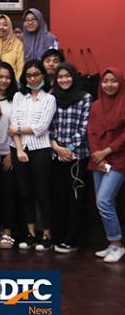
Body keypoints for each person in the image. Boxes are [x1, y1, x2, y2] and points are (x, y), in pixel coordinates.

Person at [10, 60, 57, 252]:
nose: (33, 78)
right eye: (29, 75)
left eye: (36, 74)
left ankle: (46, 234)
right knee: (25, 192)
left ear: (43, 76)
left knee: (43, 192)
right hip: (20, 149)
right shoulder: (19, 97)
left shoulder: (49, 99)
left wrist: (19, 129)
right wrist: (19, 150)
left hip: (41, 150)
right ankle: (30, 234)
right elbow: (12, 125)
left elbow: (41, 127)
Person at [48, 63, 92, 254]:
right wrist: (57, 147)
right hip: (56, 155)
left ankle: (72, 240)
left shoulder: (85, 98)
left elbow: (85, 127)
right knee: (59, 197)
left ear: (74, 77)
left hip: (77, 156)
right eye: (60, 77)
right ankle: (59, 236)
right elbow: (47, 125)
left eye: (68, 76)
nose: (64, 80)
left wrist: (69, 149)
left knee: (75, 198)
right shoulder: (51, 97)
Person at [88, 67, 125, 263]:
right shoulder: (95, 105)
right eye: (105, 81)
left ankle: (117, 244)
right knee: (102, 202)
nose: (109, 85)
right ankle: (112, 244)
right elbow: (91, 131)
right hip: (98, 160)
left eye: (113, 81)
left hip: (119, 159)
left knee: (104, 200)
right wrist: (98, 156)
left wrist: (106, 152)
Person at [0, 62, 19, 249]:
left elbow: (16, 127)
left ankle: (8, 232)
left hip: (8, 152)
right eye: (0, 77)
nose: (4, 80)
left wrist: (9, 153)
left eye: (7, 77)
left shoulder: (15, 99)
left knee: (9, 193)